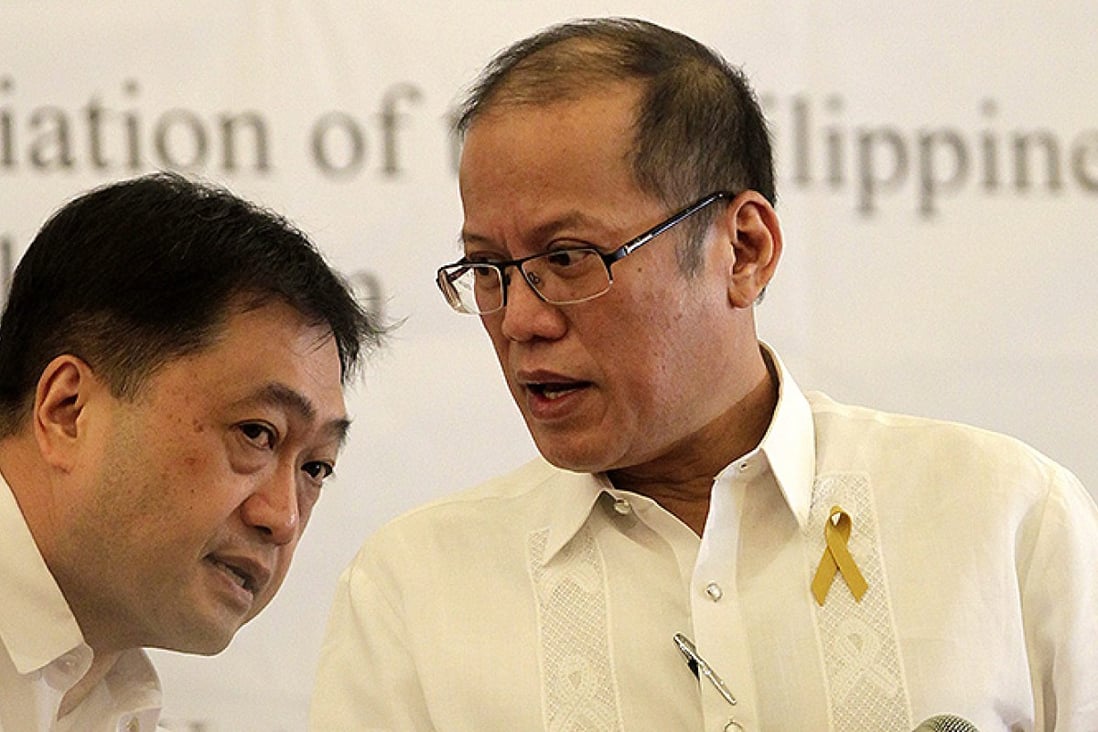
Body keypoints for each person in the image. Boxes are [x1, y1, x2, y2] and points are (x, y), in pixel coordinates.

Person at [310, 17, 1098, 731]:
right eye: (488, 269)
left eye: (566, 259)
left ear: (744, 250)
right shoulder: (414, 592)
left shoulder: (1006, 521)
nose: (519, 319)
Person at [0, 172, 382, 731]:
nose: (283, 518)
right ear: (68, 409)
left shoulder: (107, 697)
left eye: (315, 467)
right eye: (257, 433)